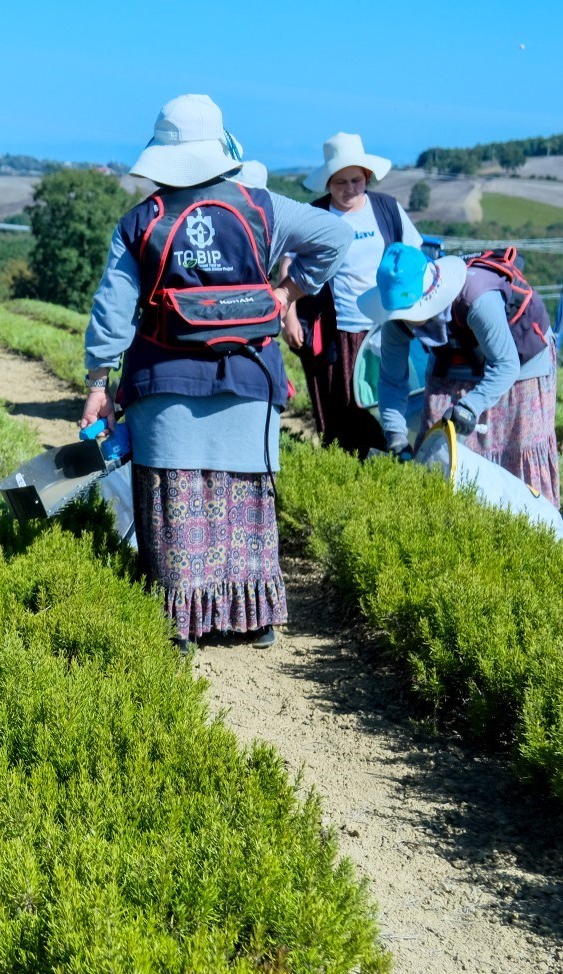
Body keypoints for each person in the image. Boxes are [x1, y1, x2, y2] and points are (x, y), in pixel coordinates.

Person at [80, 94, 351, 650]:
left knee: (176, 498)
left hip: (165, 383)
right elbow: (335, 237)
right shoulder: (263, 208)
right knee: (246, 494)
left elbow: (113, 307)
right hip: (250, 379)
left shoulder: (143, 221)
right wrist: (288, 291)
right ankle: (255, 618)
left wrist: (97, 385)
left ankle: (183, 622)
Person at [366, 243, 559, 505]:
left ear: (428, 294)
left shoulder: (477, 299)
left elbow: (505, 364)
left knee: (515, 447)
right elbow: (391, 381)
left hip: (520, 361)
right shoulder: (395, 320)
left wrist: (470, 406)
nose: (407, 319)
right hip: (455, 362)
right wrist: (397, 438)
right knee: (440, 450)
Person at [281, 133, 423, 455]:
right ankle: (348, 472)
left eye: (356, 180)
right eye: (341, 182)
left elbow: (415, 257)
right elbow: (288, 264)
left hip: (388, 329)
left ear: (367, 178)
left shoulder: (387, 209)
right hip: (337, 333)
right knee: (342, 412)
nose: (350, 188)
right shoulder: (315, 216)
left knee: (388, 405)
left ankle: (391, 467)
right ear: (328, 183)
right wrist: (289, 316)